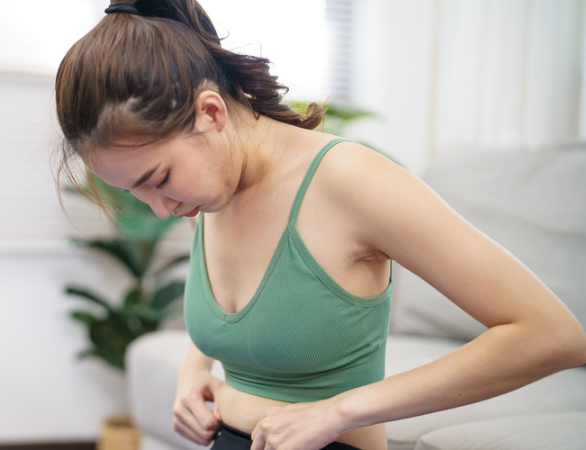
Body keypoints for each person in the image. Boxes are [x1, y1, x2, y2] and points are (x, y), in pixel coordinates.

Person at [53, 1, 586, 449]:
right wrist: (194, 376)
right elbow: (243, 314)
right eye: (134, 192)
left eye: (160, 177)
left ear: (210, 113)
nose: (159, 209)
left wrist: (337, 411)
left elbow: (551, 334)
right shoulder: (211, 189)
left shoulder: (349, 180)